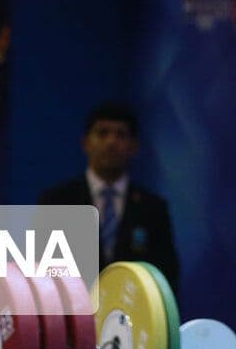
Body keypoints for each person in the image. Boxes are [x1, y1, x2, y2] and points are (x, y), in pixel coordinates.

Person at [38, 102, 180, 294]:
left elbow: (166, 278)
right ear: (86, 142)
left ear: (134, 146)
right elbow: (42, 275)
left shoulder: (153, 208)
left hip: (132, 316)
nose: (111, 142)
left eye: (121, 135)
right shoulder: (57, 202)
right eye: (102, 133)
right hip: (73, 316)